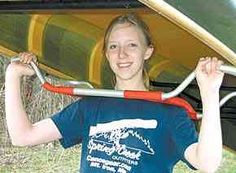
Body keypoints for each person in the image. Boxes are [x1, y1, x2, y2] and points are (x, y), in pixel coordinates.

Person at [5, 14, 224, 173]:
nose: (122, 54)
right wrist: (13, 75)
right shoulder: (91, 106)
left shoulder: (170, 111)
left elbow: (206, 163)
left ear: (148, 51)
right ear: (106, 54)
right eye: (113, 47)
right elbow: (23, 136)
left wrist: (210, 92)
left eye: (131, 45)